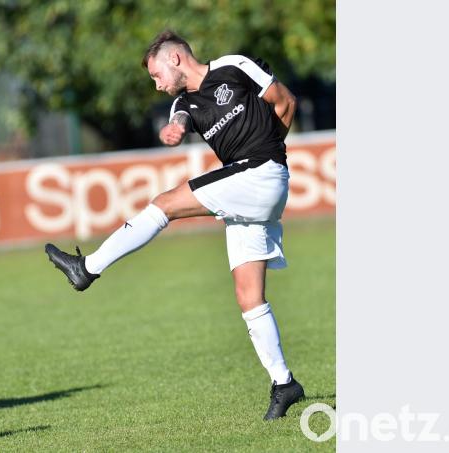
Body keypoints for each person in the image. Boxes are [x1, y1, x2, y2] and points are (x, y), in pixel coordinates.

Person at [45, 30, 304, 420]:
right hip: (247, 186)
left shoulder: (233, 67)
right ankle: (284, 384)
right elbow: (181, 119)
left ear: (176, 59)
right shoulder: (182, 104)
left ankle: (88, 268)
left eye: (156, 75)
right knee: (248, 297)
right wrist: (177, 130)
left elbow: (285, 102)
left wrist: (269, 149)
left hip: (260, 173)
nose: (156, 84)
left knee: (164, 204)